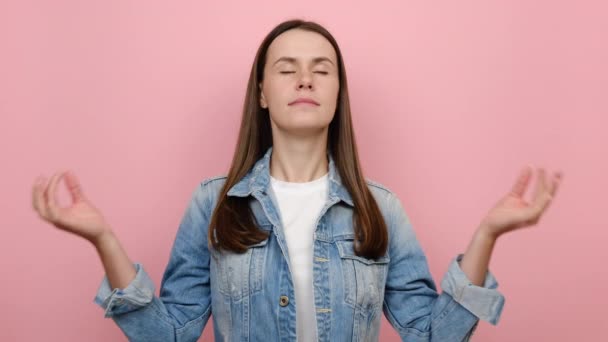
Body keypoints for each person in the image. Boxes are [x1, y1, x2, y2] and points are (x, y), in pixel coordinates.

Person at [31, 19, 562, 342]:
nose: (304, 77)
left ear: (337, 94)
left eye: (321, 68)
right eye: (286, 68)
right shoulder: (213, 204)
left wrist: (488, 233)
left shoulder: (380, 209)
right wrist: (103, 239)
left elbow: (431, 334)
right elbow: (168, 334)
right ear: (262, 92)